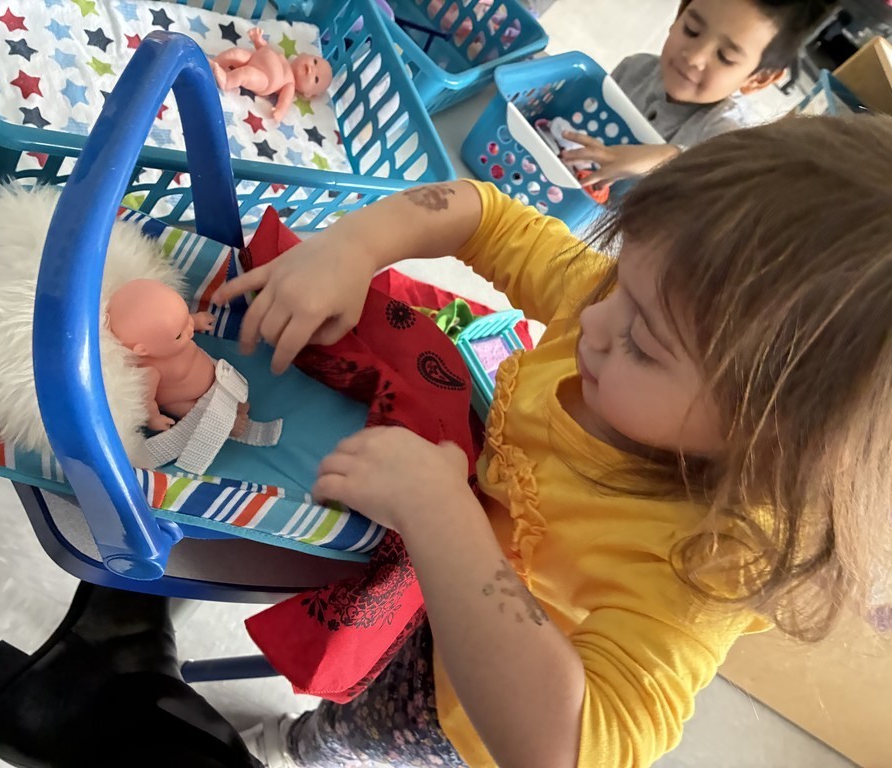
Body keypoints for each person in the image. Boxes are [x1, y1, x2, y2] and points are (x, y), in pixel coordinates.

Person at [213, 114, 892, 768]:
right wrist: (353, 245)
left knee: (350, 730)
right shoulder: (614, 307)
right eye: (619, 280)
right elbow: (485, 214)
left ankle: (292, 745)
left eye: (642, 343)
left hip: (465, 697)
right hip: (424, 543)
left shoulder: (711, 559)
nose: (592, 320)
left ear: (771, 441)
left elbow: (569, 748)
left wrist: (439, 513)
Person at [561, 0, 834, 188]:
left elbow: (722, 173)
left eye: (725, 57)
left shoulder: (729, 132)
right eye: (691, 30)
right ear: (680, 14)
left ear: (759, 78)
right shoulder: (635, 69)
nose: (694, 57)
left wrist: (663, 157)